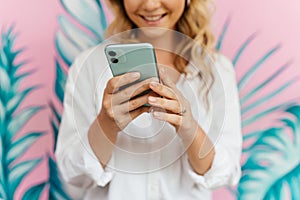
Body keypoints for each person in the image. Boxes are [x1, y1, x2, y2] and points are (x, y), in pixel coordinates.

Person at [55, 0, 242, 199]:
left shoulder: (217, 69)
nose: (151, 5)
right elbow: (73, 175)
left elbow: (224, 173)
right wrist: (106, 124)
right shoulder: (89, 66)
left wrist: (189, 128)